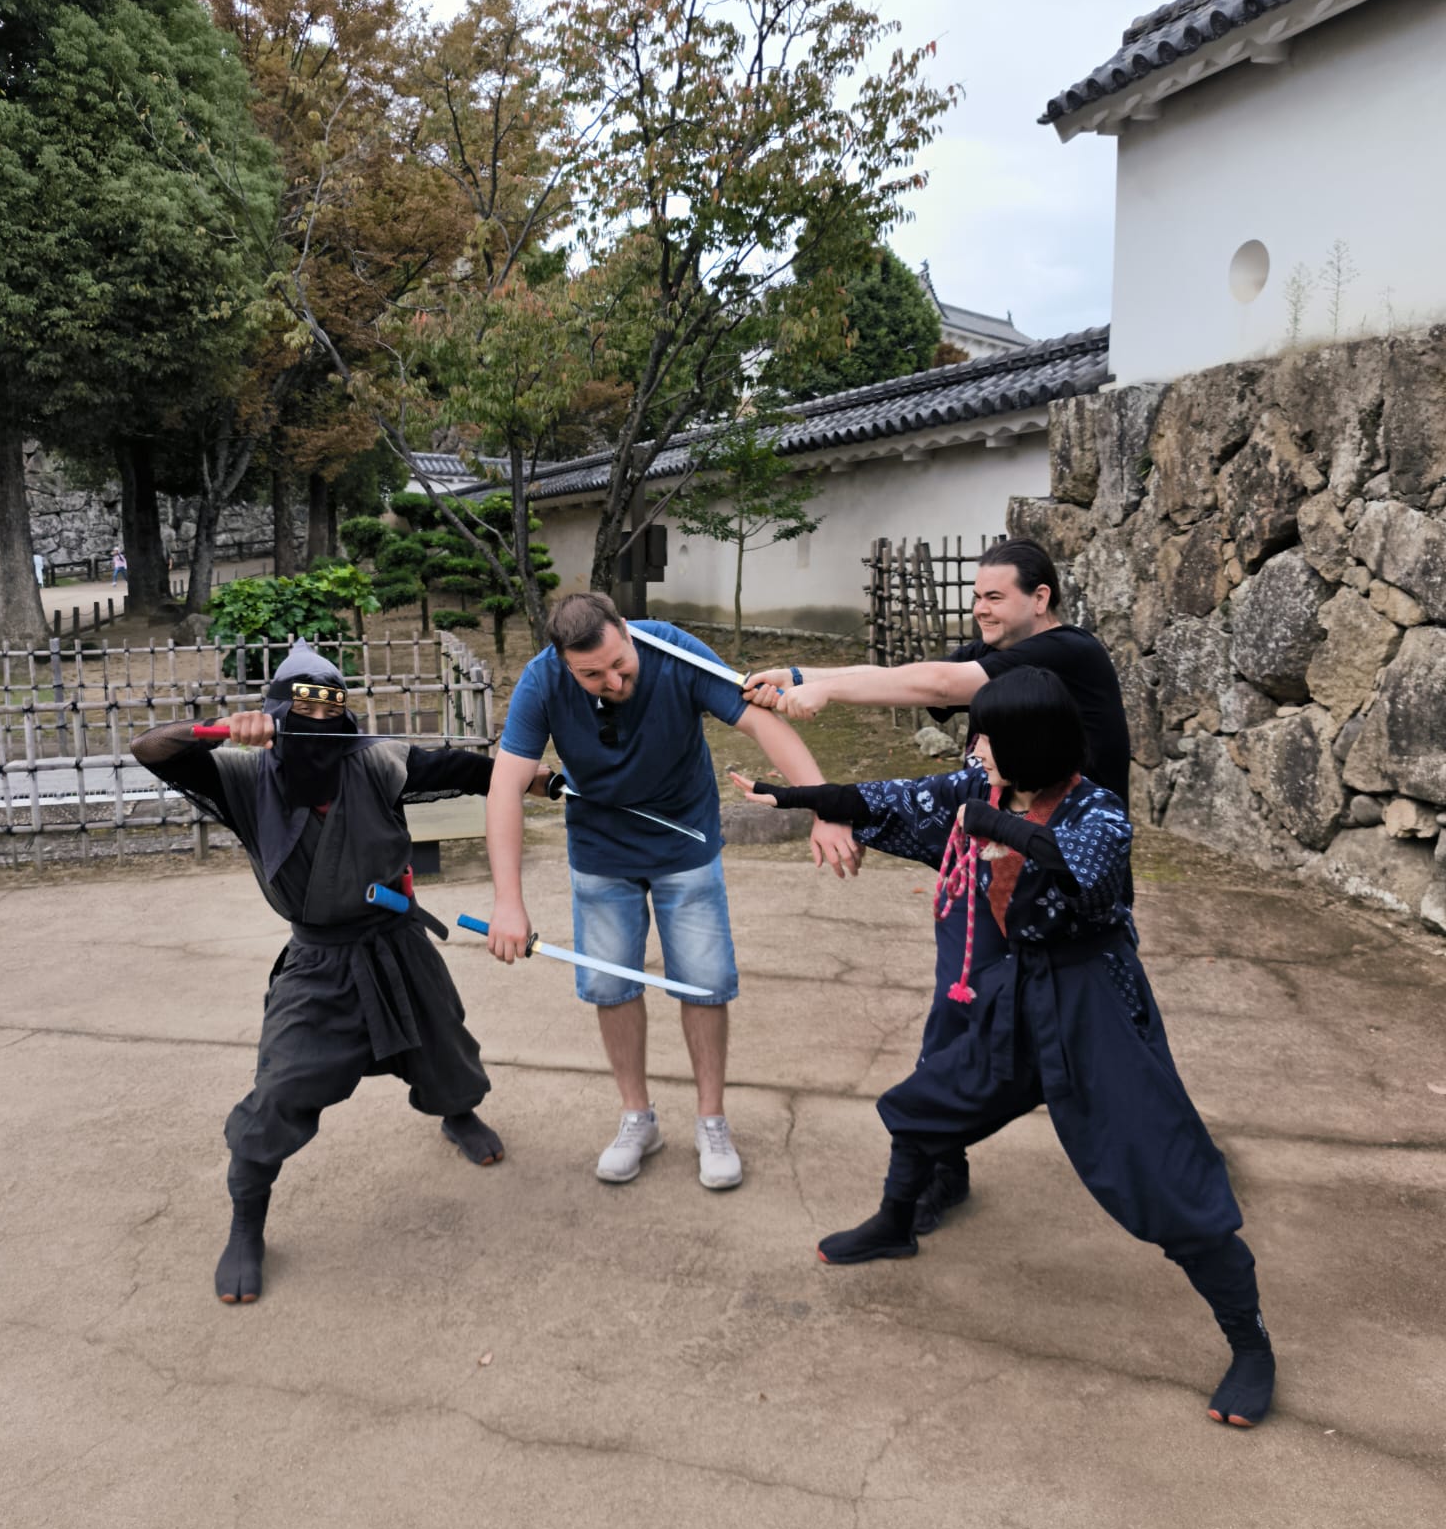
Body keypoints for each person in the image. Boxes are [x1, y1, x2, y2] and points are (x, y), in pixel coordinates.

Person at [734, 667, 1277, 1429]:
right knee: (927, 1100)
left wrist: (994, 825)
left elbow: (1080, 865)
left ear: (1032, 743)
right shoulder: (980, 787)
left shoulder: (1096, 809)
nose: (975, 749)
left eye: (988, 737)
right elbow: (892, 799)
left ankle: (1250, 1345)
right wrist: (794, 797)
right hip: (1018, 992)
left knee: (1161, 1170)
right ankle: (895, 1222)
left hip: (1094, 1003)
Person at [131, 639, 558, 1305]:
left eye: (332, 717)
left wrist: (537, 780)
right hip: (318, 960)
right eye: (303, 717)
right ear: (276, 719)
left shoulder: (376, 760)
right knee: (280, 1089)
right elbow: (150, 749)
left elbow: (468, 769)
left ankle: (458, 1114)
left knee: (444, 1045)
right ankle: (247, 1223)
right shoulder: (244, 777)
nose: (320, 731)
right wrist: (217, 729)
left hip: (397, 942)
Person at [744, 537, 1132, 1237]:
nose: (980, 608)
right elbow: (910, 673)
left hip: (1066, 880)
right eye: (976, 595)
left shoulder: (1069, 653)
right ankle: (936, 1170)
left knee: (1108, 1028)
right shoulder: (994, 655)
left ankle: (1163, 1143)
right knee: (957, 1015)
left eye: (995, 597)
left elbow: (936, 687)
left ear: (1040, 598)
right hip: (988, 868)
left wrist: (823, 690)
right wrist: (802, 673)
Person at [484, 592, 861, 1191]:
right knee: (610, 985)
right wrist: (508, 901)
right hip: (600, 852)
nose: (613, 682)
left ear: (626, 630)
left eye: (619, 664)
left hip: (685, 844)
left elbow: (761, 721)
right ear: (564, 662)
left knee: (703, 982)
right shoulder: (542, 680)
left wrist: (827, 806)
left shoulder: (673, 649)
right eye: (593, 676)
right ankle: (637, 1117)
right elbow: (505, 788)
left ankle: (712, 1120)